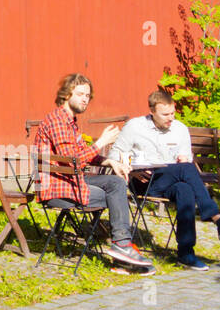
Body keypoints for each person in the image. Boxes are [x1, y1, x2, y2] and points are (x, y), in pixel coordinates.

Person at [110, 89, 220, 270]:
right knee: (186, 171)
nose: (170, 118)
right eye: (165, 114)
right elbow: (114, 154)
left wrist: (183, 159)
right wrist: (130, 169)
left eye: (173, 113)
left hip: (171, 178)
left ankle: (186, 253)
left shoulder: (180, 129)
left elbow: (185, 158)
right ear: (152, 112)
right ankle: (218, 219)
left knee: (185, 189)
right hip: (141, 179)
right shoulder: (135, 126)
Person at [32, 73, 152, 271]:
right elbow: (73, 162)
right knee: (113, 194)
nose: (85, 99)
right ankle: (122, 248)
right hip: (55, 188)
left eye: (88, 95)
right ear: (66, 95)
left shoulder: (70, 122)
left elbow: (81, 155)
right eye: (80, 94)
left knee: (116, 183)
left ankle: (121, 248)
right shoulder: (57, 121)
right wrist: (101, 143)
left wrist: (110, 161)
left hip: (71, 181)